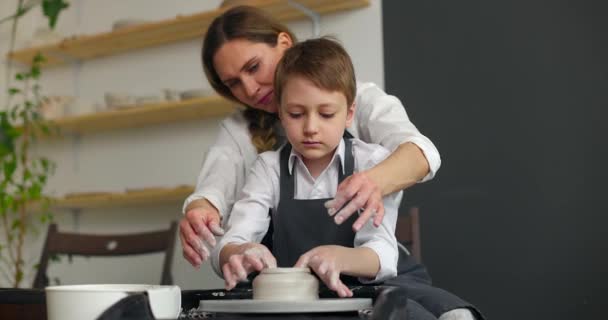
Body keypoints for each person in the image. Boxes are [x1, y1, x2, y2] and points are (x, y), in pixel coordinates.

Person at [213, 37, 482, 320]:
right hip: (298, 299)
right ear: (280, 112)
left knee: (456, 315)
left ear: (349, 113)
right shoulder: (268, 168)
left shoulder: (372, 162)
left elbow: (382, 253)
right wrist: (239, 252)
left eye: (327, 114)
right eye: (295, 114)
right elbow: (230, 241)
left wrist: (340, 257)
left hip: (366, 291)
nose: (311, 128)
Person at [180, 5, 439, 270]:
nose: (249, 89)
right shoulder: (249, 142)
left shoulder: (359, 103)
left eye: (254, 67)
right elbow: (214, 189)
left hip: (367, 272)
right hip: (287, 278)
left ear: (284, 43)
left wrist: (374, 180)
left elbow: (421, 153)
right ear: (282, 115)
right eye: (233, 83)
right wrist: (201, 210)